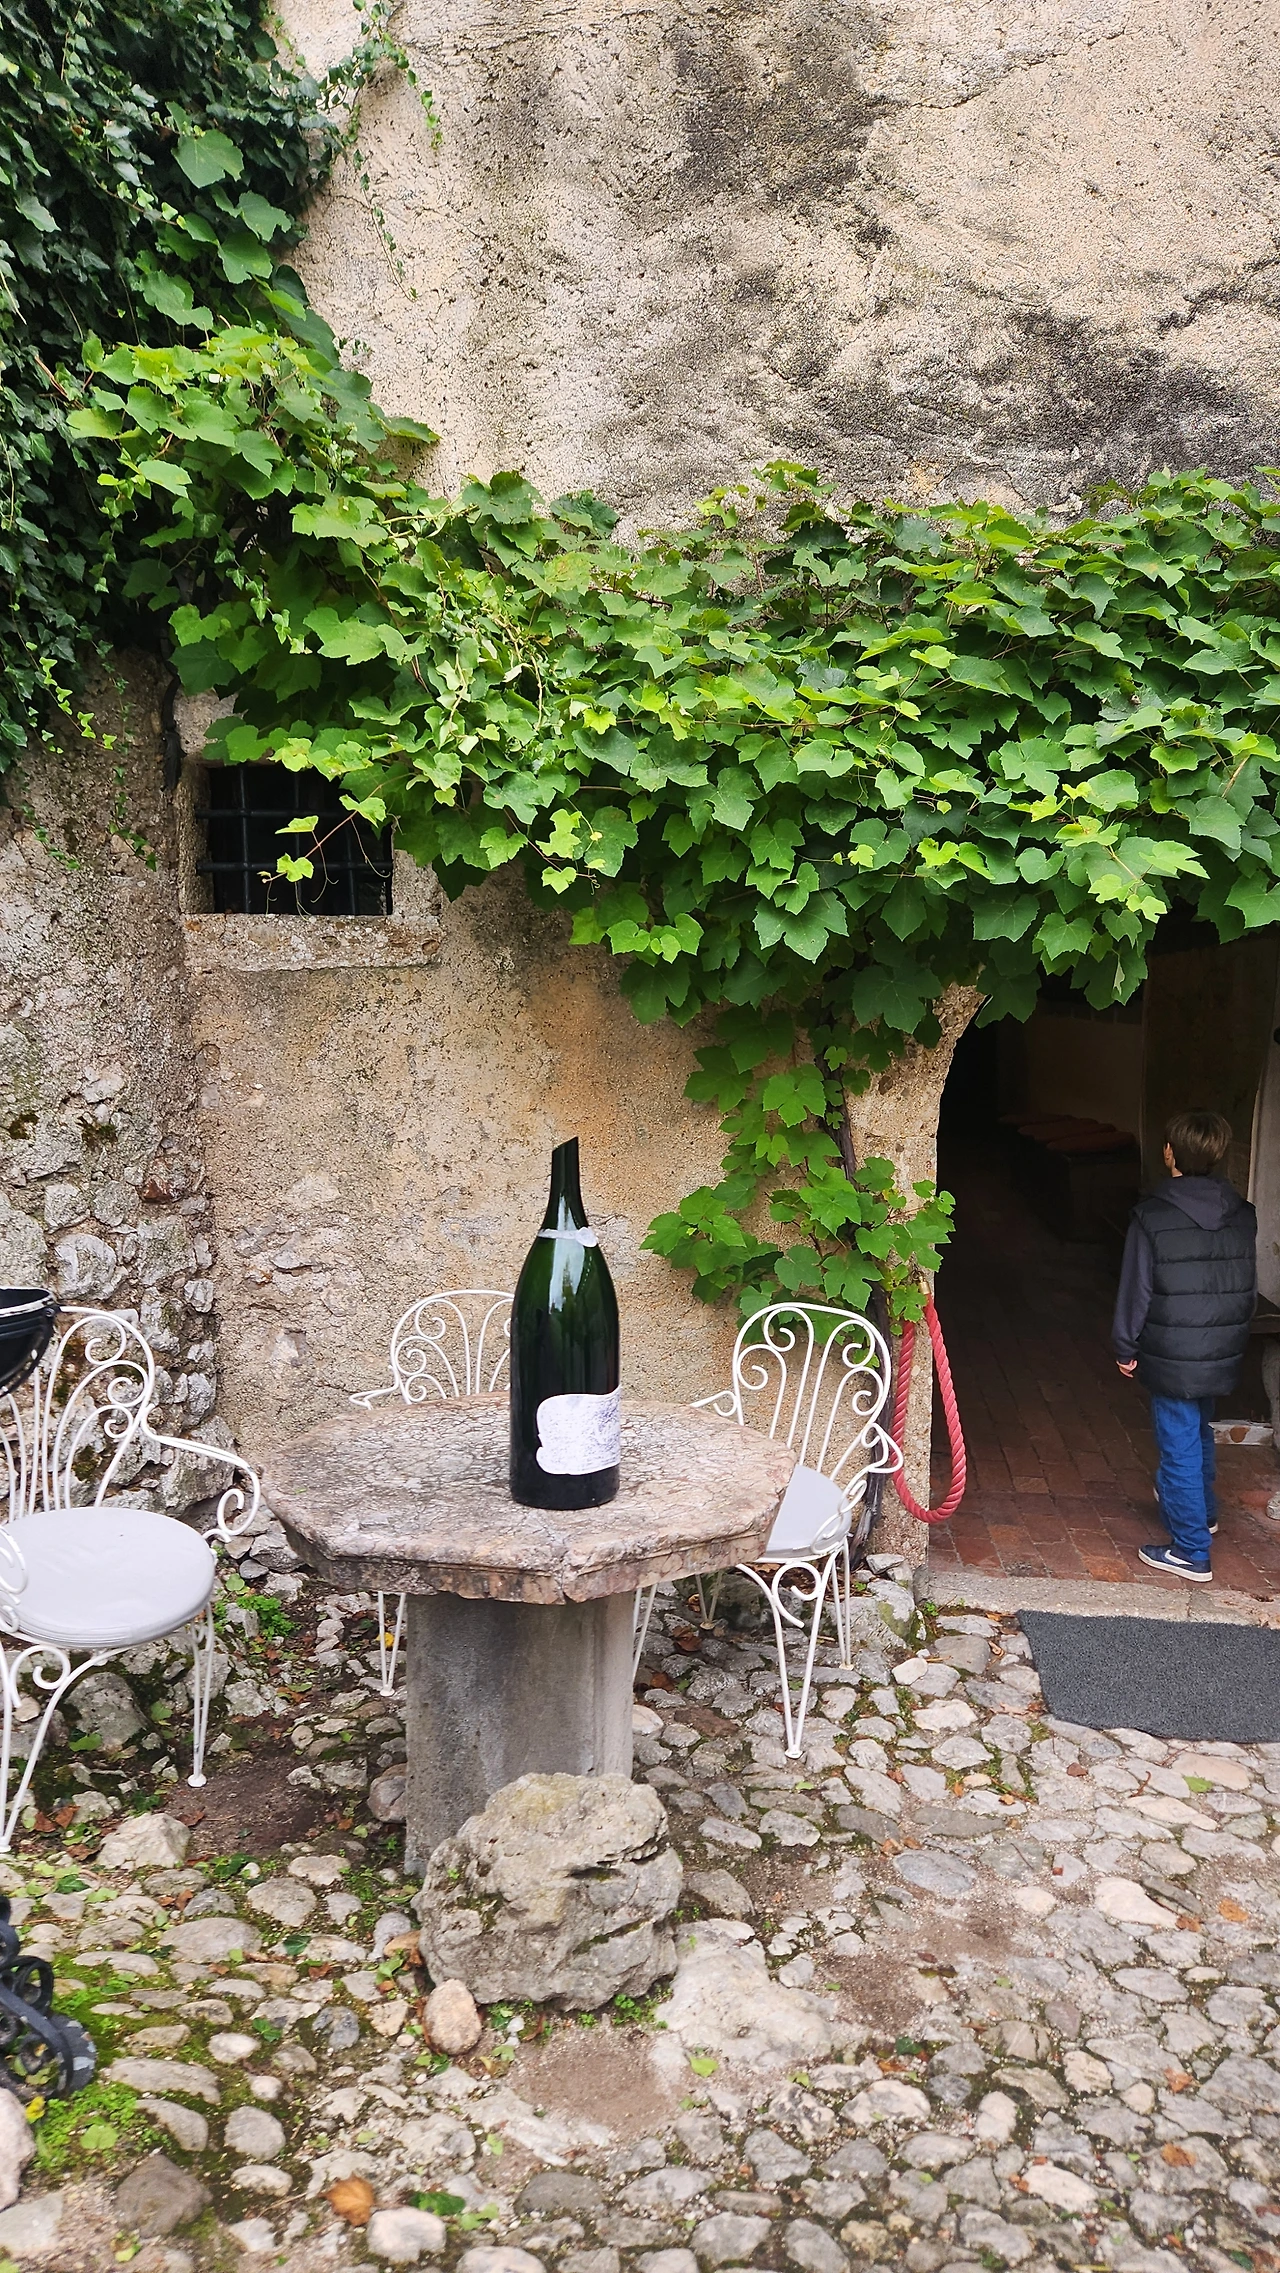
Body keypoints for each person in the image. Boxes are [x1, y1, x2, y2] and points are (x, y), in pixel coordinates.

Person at [1112, 1109, 1256, 1582]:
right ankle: (1204, 1512)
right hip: (1220, 1343)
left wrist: (1125, 1345)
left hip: (1172, 1348)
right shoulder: (1243, 1214)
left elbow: (1136, 1290)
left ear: (1169, 1152)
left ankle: (1191, 1550)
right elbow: (1245, 1284)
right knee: (1198, 1429)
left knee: (1178, 1446)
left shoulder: (1151, 1216)